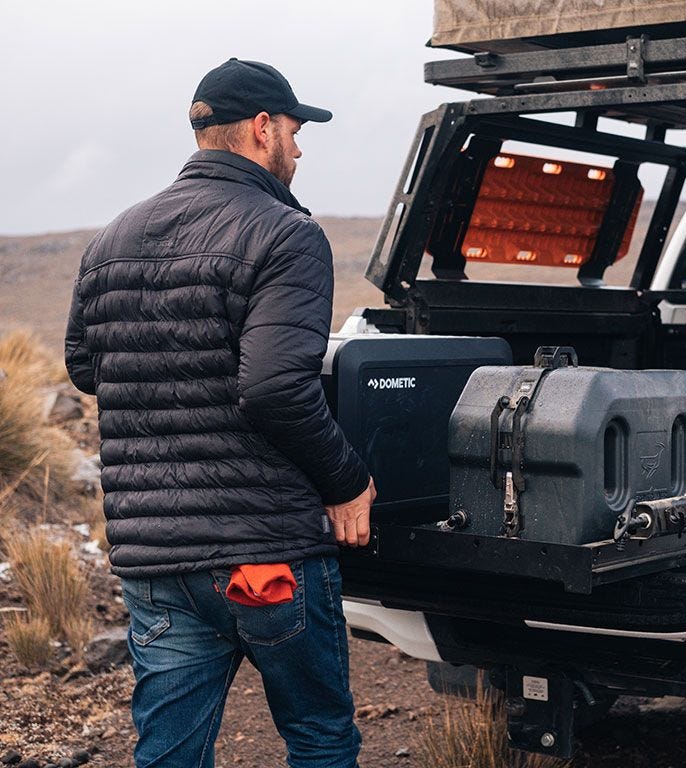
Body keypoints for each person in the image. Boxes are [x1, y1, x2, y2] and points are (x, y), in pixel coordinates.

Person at [64, 58, 373, 768]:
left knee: (170, 754)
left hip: (155, 561)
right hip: (266, 554)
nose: (298, 149)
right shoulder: (286, 233)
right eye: (294, 132)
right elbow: (273, 388)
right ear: (262, 129)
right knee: (320, 737)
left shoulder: (111, 238)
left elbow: (87, 367)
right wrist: (347, 481)